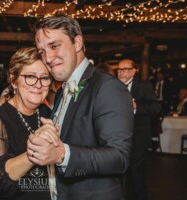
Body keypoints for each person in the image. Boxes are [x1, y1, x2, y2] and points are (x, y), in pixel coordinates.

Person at [27, 13, 134, 200]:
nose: (48, 58)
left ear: (77, 43)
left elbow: (119, 157)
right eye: (42, 52)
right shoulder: (62, 91)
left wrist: (61, 154)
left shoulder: (107, 87)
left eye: (54, 46)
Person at [0, 47, 53, 200]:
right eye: (30, 76)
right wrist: (34, 152)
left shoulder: (46, 112)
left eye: (45, 77)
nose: (38, 85)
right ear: (13, 80)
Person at [117, 59, 161, 200]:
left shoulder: (144, 86)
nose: (121, 72)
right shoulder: (112, 86)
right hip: (118, 138)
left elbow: (156, 107)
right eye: (119, 69)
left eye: (124, 69)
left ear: (134, 70)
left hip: (138, 137)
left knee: (137, 174)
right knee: (120, 174)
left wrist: (137, 107)